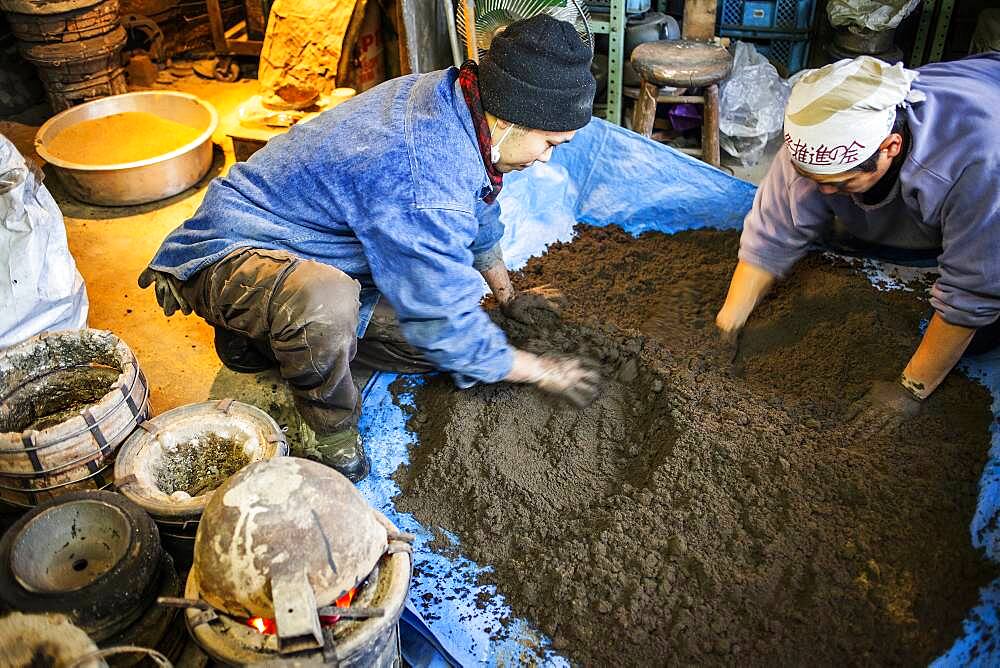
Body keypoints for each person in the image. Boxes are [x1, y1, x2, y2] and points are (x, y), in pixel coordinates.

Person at [138, 15, 601, 482]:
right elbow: (439, 313)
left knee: (436, 349)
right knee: (331, 304)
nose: (546, 158)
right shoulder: (425, 173)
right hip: (234, 245)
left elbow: (479, 202)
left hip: (320, 244)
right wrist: (536, 370)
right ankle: (328, 433)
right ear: (509, 118)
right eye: (549, 144)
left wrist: (507, 295)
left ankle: (260, 340)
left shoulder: (465, 104)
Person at [714, 53, 1000, 437]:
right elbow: (771, 235)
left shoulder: (977, 164)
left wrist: (910, 390)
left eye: (842, 183)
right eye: (815, 179)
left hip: (987, 120)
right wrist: (727, 325)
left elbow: (974, 290)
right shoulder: (812, 142)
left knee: (980, 338)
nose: (826, 191)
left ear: (890, 147)